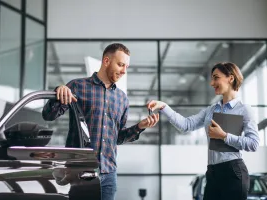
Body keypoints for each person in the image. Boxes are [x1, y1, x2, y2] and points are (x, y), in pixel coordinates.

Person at [42, 43, 159, 200]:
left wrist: (140, 127)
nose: (124, 71)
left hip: (108, 175)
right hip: (79, 173)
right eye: (120, 64)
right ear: (106, 61)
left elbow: (118, 138)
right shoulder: (77, 86)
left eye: (127, 67)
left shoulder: (122, 99)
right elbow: (48, 115)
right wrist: (58, 90)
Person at [147, 62, 259, 200]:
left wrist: (224, 136)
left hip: (233, 172)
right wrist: (163, 106)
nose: (212, 83)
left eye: (216, 77)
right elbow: (186, 125)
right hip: (212, 173)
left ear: (230, 78)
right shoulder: (211, 110)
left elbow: (253, 143)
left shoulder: (244, 109)